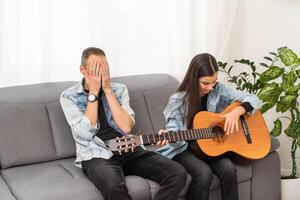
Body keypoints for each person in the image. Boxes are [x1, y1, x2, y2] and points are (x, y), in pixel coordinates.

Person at [60, 47, 187, 200]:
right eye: (95, 68)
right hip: (97, 154)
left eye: (104, 67)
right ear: (83, 70)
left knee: (177, 173)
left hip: (128, 147)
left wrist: (107, 91)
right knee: (113, 187)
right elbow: (85, 132)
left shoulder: (119, 90)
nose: (101, 72)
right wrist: (93, 93)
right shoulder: (69, 96)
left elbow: (126, 127)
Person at [155, 53, 262, 200]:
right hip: (185, 148)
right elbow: (174, 129)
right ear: (194, 79)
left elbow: (254, 98)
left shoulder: (219, 90)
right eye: (205, 83)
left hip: (210, 148)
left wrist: (237, 111)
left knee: (228, 169)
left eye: (214, 82)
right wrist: (168, 135)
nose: (211, 87)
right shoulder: (177, 100)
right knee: (203, 174)